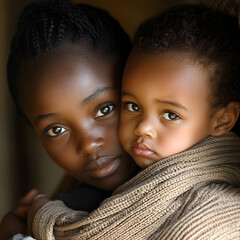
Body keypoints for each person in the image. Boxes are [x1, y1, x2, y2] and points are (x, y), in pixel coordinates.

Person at [22, 4, 240, 240]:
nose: (142, 128)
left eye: (170, 115)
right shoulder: (78, 190)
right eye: (133, 106)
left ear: (222, 120)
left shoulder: (214, 216)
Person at [0, 0, 139, 239]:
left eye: (105, 109)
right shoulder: (54, 218)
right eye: (55, 129)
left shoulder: (210, 192)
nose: (88, 144)